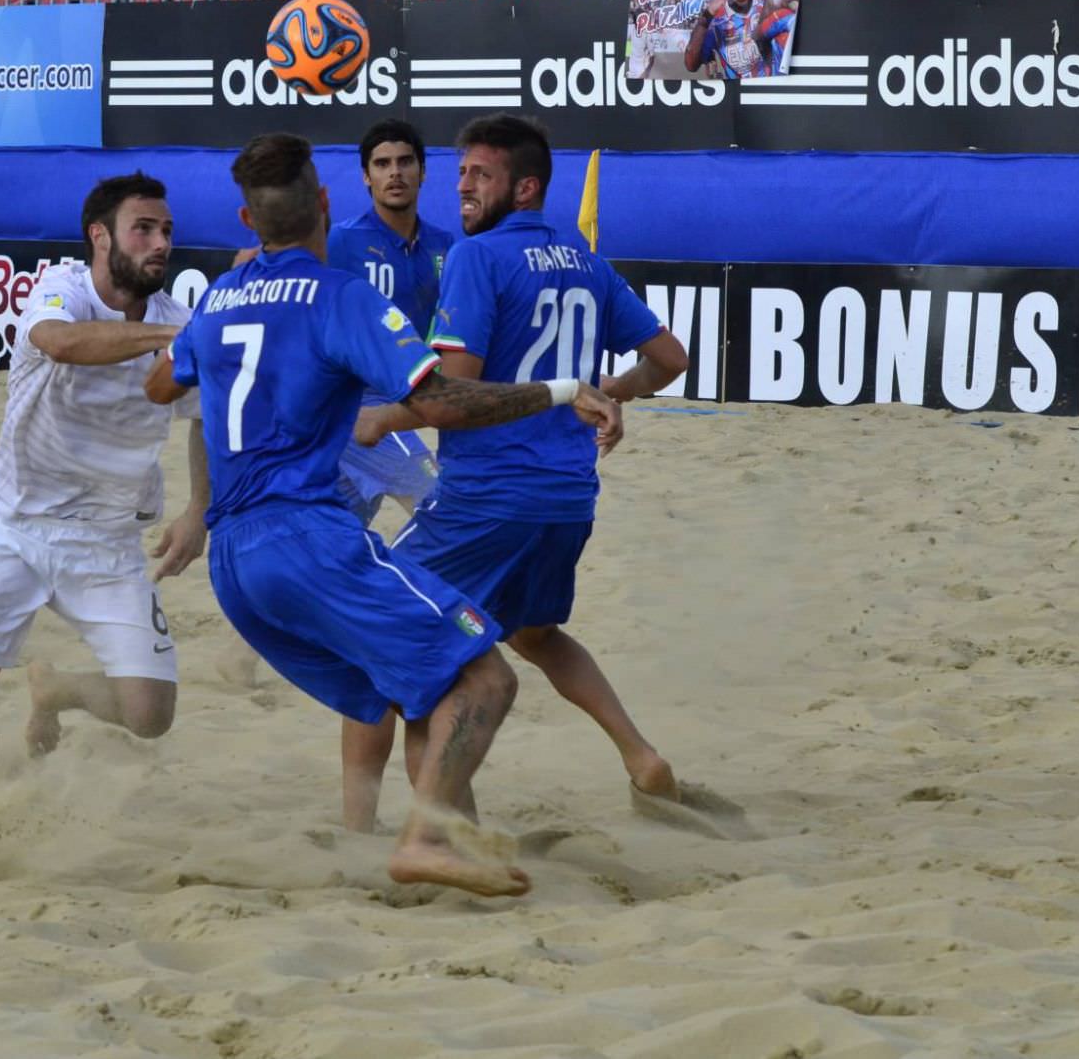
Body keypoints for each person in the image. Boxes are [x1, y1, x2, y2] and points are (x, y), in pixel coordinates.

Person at [145, 131, 626, 898]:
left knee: (423, 680)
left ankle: (431, 834)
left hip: (236, 563)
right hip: (308, 539)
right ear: (328, 203)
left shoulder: (221, 296)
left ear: (246, 219)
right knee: (487, 679)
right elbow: (441, 400)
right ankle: (424, 838)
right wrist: (562, 390)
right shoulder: (341, 294)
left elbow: (163, 386)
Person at [344, 115, 688, 837]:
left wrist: (385, 419)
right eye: (462, 171)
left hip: (488, 496)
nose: (462, 184)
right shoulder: (584, 259)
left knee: (382, 630)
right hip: (568, 497)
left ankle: (386, 829)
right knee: (535, 635)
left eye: (481, 175)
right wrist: (605, 396)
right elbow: (670, 357)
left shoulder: (477, 258)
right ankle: (642, 756)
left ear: (524, 186)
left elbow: (456, 397)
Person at [0, 174, 208, 802]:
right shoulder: (62, 292)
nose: (161, 243)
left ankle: (59, 690)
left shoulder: (178, 320)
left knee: (151, 715)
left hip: (107, 542)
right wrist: (175, 340)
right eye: (144, 229)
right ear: (99, 236)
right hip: (12, 526)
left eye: (167, 230)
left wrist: (199, 508)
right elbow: (61, 344)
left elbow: (205, 420)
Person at [325, 119, 456, 523]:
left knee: (339, 537)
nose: (394, 172)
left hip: (401, 401)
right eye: (382, 164)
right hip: (355, 404)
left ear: (423, 170)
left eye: (404, 162)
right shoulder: (341, 242)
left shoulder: (443, 245)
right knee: (444, 508)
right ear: (366, 176)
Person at [685, 0, 789, 78]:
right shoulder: (716, 22)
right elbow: (691, 65)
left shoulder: (766, 5)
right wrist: (705, 19)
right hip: (739, 93)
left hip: (774, 90)